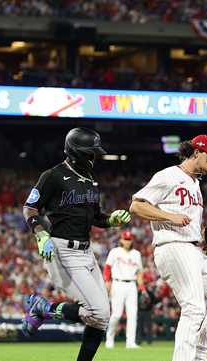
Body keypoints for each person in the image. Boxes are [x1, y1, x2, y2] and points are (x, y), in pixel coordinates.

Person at [21, 127, 131, 361]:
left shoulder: (90, 179)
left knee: (103, 316)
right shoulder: (53, 175)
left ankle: (47, 310)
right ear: (76, 152)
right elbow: (29, 207)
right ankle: (46, 308)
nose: (94, 157)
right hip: (62, 250)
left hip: (86, 252)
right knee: (99, 313)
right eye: (90, 152)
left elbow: (96, 217)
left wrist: (111, 220)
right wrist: (40, 233)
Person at [129, 134, 207, 361]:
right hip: (172, 245)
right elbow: (136, 206)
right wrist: (169, 216)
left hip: (192, 248)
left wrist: (203, 239)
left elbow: (187, 223)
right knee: (194, 308)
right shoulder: (169, 175)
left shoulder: (195, 183)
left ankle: (199, 349)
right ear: (197, 152)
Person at [104, 230, 144, 349]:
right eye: (125, 239)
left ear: (132, 240)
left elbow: (140, 272)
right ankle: (109, 339)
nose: (127, 241)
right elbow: (107, 268)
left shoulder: (136, 254)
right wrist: (107, 282)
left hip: (132, 285)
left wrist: (142, 287)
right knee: (116, 314)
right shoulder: (115, 252)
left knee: (133, 315)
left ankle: (130, 342)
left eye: (129, 239)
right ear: (121, 240)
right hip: (118, 283)